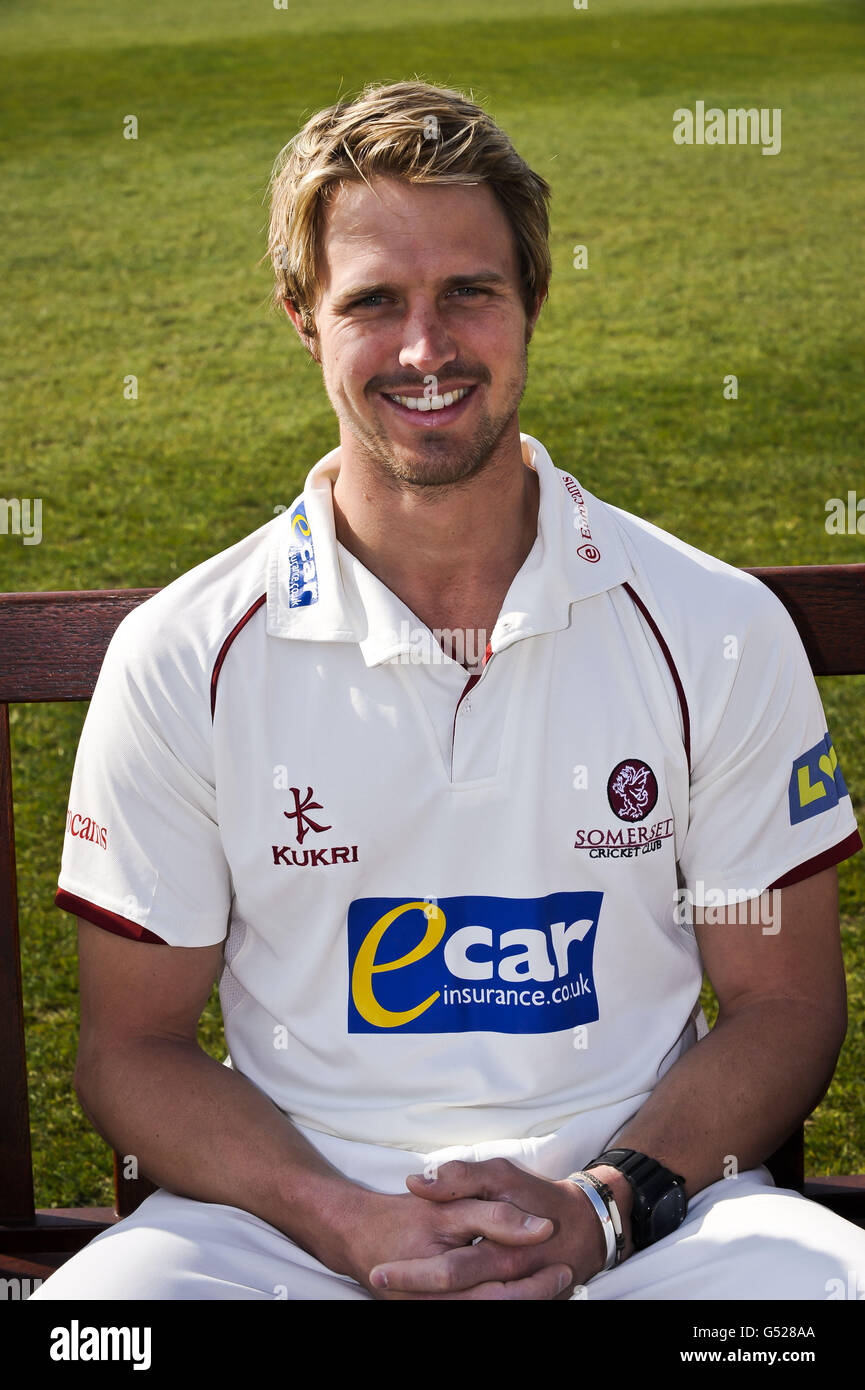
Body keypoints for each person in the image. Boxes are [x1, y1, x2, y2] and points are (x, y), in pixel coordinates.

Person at [32, 79, 865, 1302]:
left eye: (468, 291)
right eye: (374, 301)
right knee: (100, 1329)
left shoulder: (714, 626)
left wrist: (599, 1210)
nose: (426, 349)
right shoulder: (184, 650)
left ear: (531, 295)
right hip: (289, 1229)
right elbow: (128, 1046)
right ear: (301, 317)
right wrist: (345, 1219)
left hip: (650, 1222)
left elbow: (785, 1002)